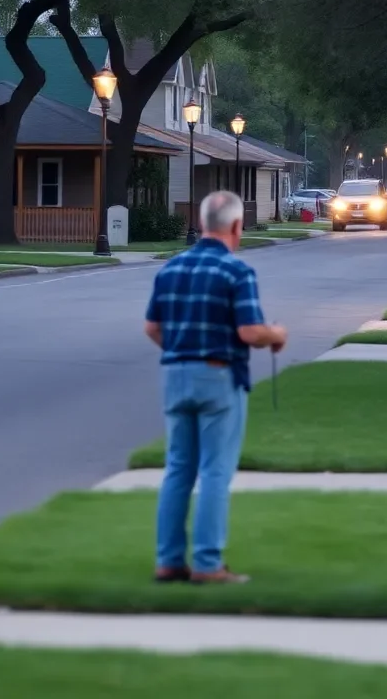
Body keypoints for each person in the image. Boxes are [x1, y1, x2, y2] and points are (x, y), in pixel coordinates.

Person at [144, 190, 287, 585]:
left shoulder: (170, 269)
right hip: (218, 374)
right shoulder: (236, 271)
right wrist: (276, 333)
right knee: (214, 472)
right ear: (237, 226)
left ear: (204, 222)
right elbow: (248, 331)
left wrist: (180, 349)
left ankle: (168, 560)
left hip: (175, 373)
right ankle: (208, 563)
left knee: (178, 469)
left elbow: (152, 327)